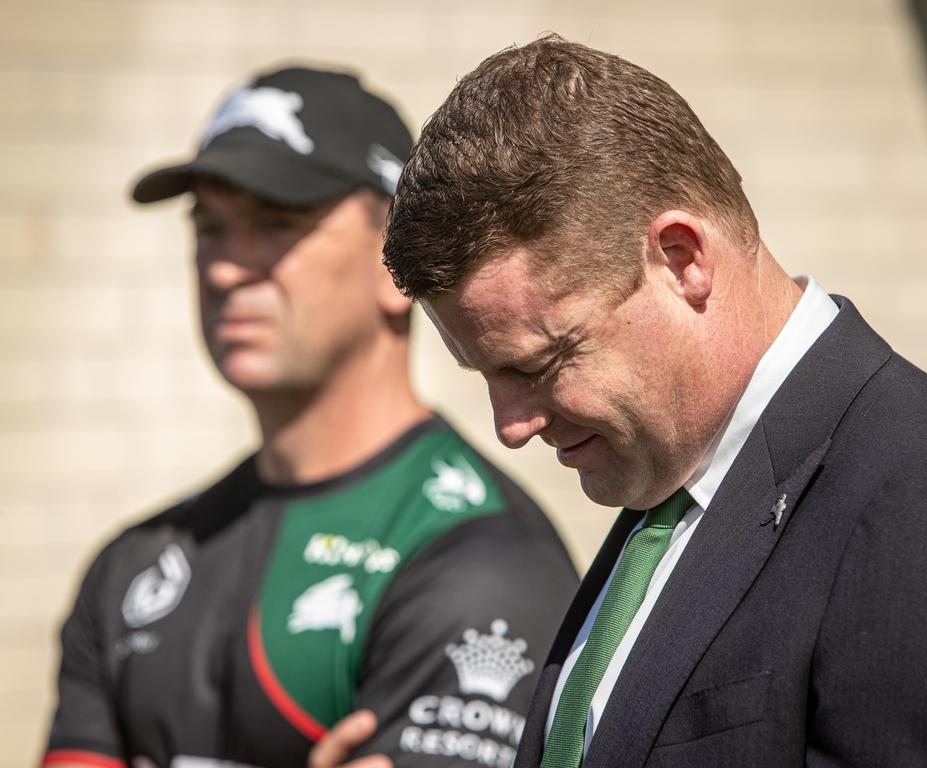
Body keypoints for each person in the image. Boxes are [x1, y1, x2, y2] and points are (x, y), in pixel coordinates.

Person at [382, 36, 927, 768]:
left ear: (682, 259)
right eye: (485, 375)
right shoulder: (673, 490)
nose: (511, 426)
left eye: (543, 361)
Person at [43, 65, 578, 768]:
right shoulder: (132, 564)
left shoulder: (486, 562)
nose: (225, 269)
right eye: (210, 228)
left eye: (276, 223)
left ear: (400, 265)